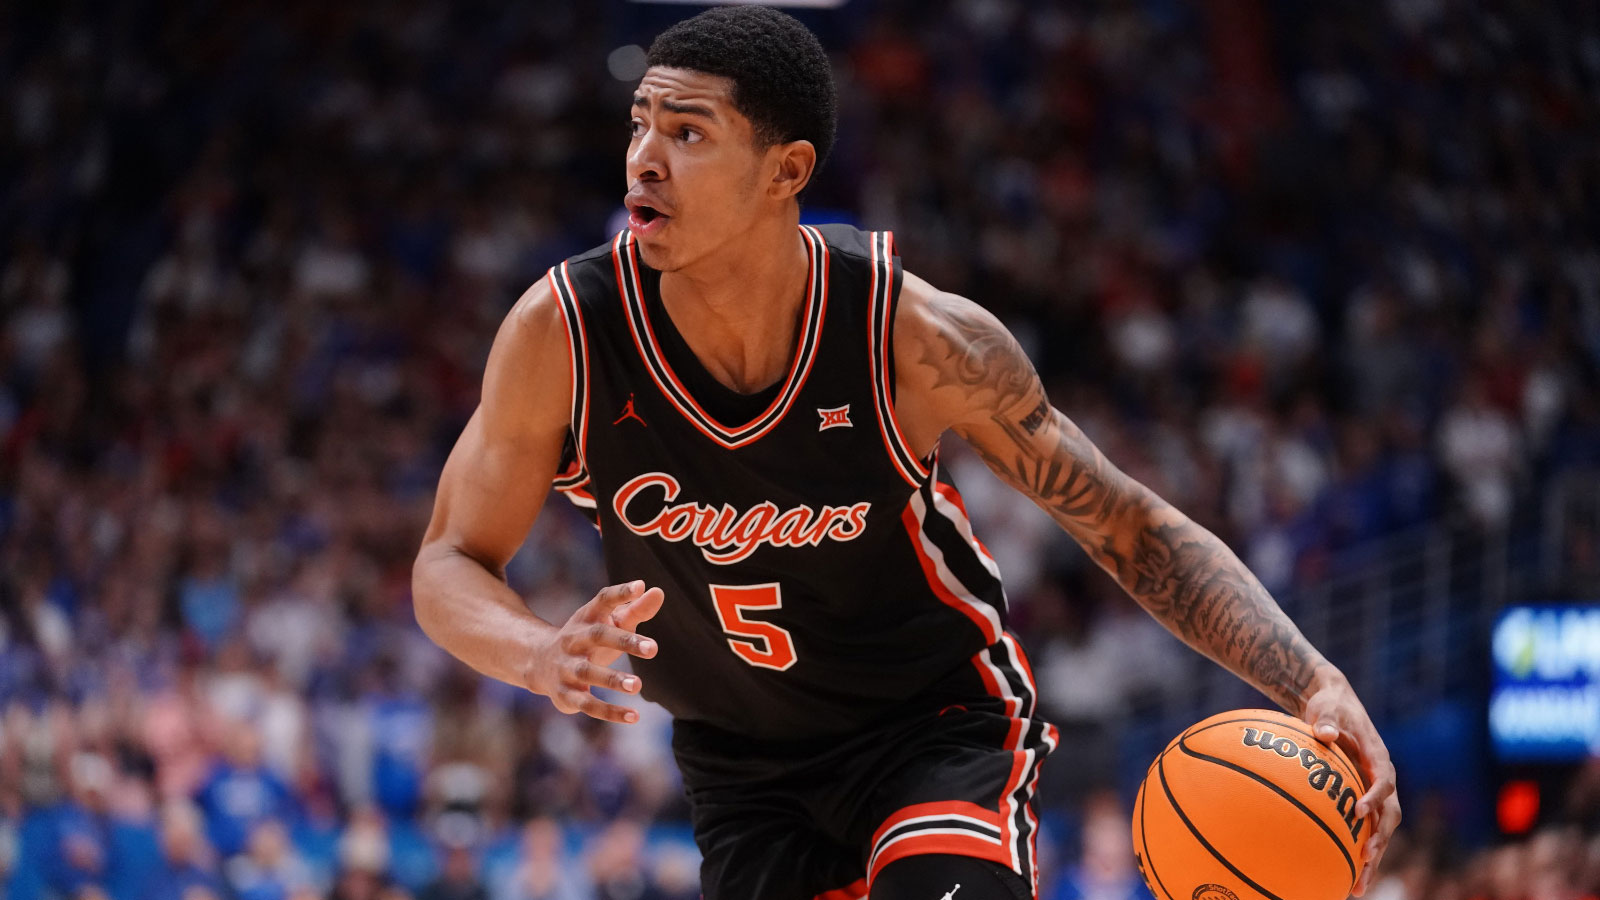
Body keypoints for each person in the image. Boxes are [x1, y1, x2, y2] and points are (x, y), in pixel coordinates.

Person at [411, 7, 1400, 899]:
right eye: (639, 123)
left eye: (686, 132)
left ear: (785, 171)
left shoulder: (915, 337)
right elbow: (449, 558)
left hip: (933, 727)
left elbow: (1129, 527)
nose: (642, 158)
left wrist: (1310, 680)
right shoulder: (562, 335)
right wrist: (537, 652)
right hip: (742, 766)